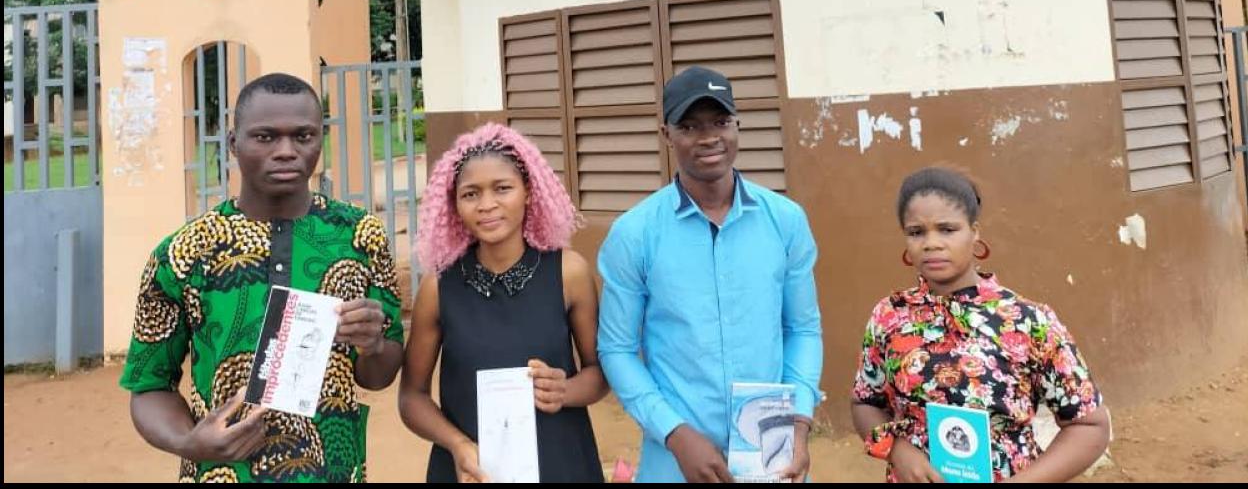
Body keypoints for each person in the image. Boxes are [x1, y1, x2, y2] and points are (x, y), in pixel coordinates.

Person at [120, 72, 405, 482]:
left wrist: (373, 344)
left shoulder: (361, 236)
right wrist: (189, 442)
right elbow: (149, 385)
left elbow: (379, 376)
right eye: (265, 137)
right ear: (233, 143)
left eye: (303, 136)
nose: (286, 151)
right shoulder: (183, 253)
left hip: (331, 472)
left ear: (320, 139)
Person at [597, 65, 823, 482]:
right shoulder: (634, 234)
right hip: (674, 462)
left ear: (737, 125)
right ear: (666, 135)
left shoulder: (785, 221)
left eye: (720, 122)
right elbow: (617, 349)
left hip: (772, 457)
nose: (708, 138)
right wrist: (675, 433)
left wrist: (799, 421)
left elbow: (803, 330)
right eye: (689, 127)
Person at [851, 166, 1111, 482]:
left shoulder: (1027, 321)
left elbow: (1089, 425)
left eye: (947, 229)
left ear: (975, 233)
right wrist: (896, 450)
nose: (931, 243)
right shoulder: (889, 316)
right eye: (916, 232)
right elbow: (865, 401)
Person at [398, 123, 607, 482]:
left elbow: (600, 373)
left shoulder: (568, 272)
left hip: (560, 462)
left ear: (528, 192)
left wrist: (566, 390)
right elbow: (411, 397)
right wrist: (458, 445)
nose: (487, 205)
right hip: (473, 471)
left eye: (502, 188)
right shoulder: (438, 287)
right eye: (470, 194)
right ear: (454, 205)